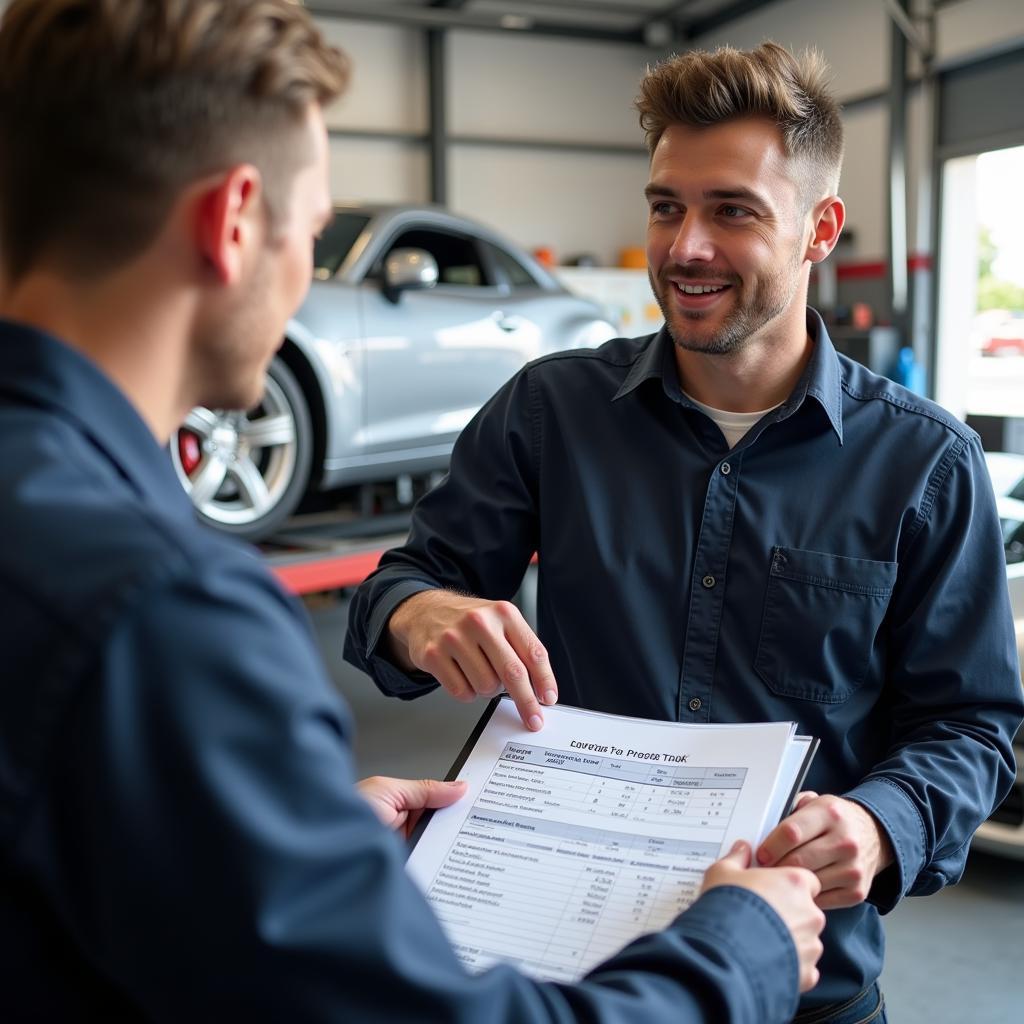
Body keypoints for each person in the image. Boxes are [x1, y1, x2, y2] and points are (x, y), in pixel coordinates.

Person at [0, 3, 828, 1021]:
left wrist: (290, 840)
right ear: (232, 222)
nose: (686, 245)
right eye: (309, 231)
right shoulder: (164, 613)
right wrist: (736, 948)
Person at [345, 41, 1024, 1024]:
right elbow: (402, 586)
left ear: (819, 230)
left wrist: (879, 824)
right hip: (555, 966)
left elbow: (971, 724)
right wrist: (423, 614)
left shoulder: (924, 464)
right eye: (666, 206)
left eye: (732, 211)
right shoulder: (550, 411)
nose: (684, 246)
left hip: (803, 989)